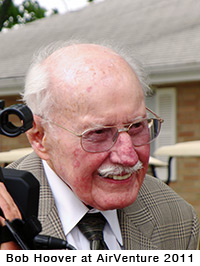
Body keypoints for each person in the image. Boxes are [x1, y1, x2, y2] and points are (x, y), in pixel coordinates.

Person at [0, 41, 199, 250]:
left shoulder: (177, 218)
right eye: (98, 133)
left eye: (137, 126)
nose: (128, 156)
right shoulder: (8, 213)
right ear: (40, 137)